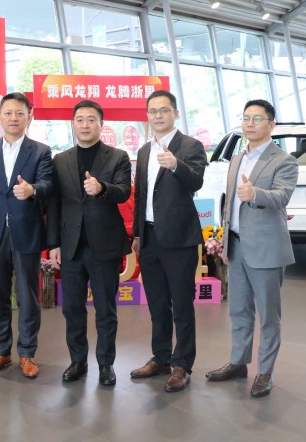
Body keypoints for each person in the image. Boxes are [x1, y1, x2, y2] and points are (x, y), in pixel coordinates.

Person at [206, 99, 297, 398]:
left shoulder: (284, 160)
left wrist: (255, 193)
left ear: (271, 124)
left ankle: (265, 372)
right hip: (236, 245)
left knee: (269, 316)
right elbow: (230, 203)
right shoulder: (237, 158)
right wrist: (222, 238)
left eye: (257, 118)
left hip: (266, 248)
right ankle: (237, 363)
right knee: (239, 311)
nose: (250, 123)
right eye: (246, 118)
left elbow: (282, 197)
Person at [47, 100, 131, 386]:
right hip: (71, 246)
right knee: (72, 309)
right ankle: (77, 361)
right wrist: (53, 243)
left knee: (106, 310)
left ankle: (106, 364)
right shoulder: (61, 160)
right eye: (80, 119)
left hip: (104, 245)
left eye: (91, 119)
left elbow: (124, 191)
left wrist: (102, 188)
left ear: (101, 124)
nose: (85, 125)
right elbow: (54, 204)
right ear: (73, 124)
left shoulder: (118, 156)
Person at [130, 89, 206, 392]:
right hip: (149, 238)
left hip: (179, 239)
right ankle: (161, 357)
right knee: (157, 305)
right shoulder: (144, 151)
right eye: (153, 111)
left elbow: (196, 181)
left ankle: (182, 364)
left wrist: (175, 165)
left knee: (182, 306)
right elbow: (140, 196)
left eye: (163, 110)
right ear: (147, 116)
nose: (158, 115)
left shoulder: (190, 146)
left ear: (175, 113)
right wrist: (137, 233)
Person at [0, 92, 53, 379]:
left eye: (20, 113)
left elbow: (48, 184)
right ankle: (1, 351)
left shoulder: (41, 150)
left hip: (26, 232)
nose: (14, 118)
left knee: (27, 296)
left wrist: (33, 190)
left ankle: (27, 353)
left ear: (28, 117)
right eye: (8, 113)